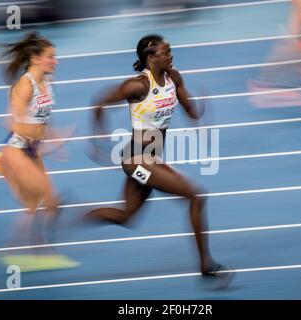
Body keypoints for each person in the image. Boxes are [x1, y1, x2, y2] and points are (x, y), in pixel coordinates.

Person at [86, 34, 232, 286]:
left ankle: (76, 217)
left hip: (151, 158)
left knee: (126, 216)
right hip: (135, 160)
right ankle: (206, 265)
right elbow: (99, 103)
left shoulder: (174, 78)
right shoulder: (138, 85)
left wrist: (201, 112)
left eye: (170, 50)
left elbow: (191, 112)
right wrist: (98, 137)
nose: (171, 55)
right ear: (151, 57)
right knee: (196, 197)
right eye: (166, 51)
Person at [0, 32, 78, 272]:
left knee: (39, 207)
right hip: (16, 149)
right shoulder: (24, 86)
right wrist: (45, 139)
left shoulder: (47, 83)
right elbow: (12, 124)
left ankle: (12, 252)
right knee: (48, 201)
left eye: (55, 56)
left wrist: (54, 138)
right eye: (50, 57)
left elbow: (44, 118)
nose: (55, 61)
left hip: (31, 150)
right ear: (35, 59)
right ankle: (41, 254)